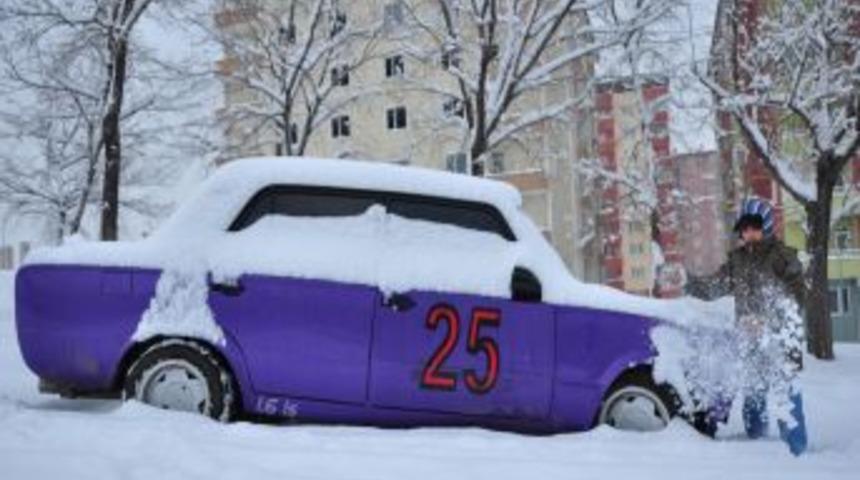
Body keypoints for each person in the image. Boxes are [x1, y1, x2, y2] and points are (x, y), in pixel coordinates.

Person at [689, 197, 808, 456]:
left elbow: (798, 296)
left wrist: (767, 320)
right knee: (754, 397)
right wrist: (688, 283)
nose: (747, 233)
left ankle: (797, 453)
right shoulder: (738, 260)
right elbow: (715, 286)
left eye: (753, 226)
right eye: (743, 228)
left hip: (779, 344)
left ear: (765, 225)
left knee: (786, 399)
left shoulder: (783, 257)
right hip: (750, 342)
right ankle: (758, 452)